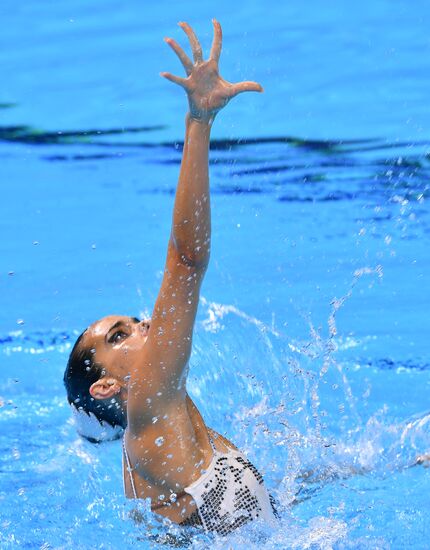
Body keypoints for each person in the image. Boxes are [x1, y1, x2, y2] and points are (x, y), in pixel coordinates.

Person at [63, 20, 277, 535]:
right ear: (107, 386)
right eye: (120, 335)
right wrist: (199, 121)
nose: (141, 325)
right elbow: (186, 261)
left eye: (132, 321)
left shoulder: (173, 423)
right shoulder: (149, 404)